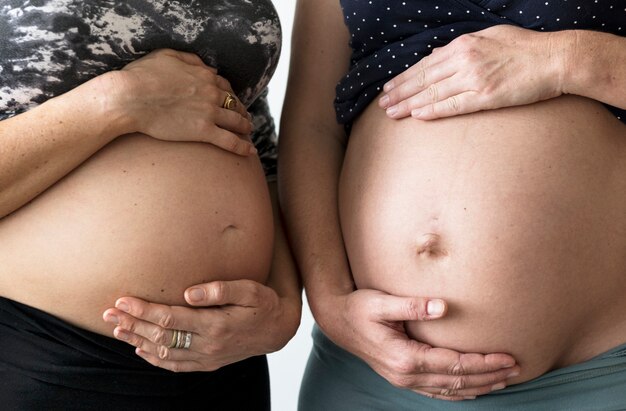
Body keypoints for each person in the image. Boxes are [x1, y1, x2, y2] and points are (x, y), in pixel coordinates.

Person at [278, 0, 626, 409]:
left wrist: (564, 60)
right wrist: (333, 307)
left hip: (598, 373)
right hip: (371, 373)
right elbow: (313, 127)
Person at [0, 1, 300, 409]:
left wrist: (283, 307)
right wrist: (118, 99)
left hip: (230, 352)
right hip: (48, 352)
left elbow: (255, 141)